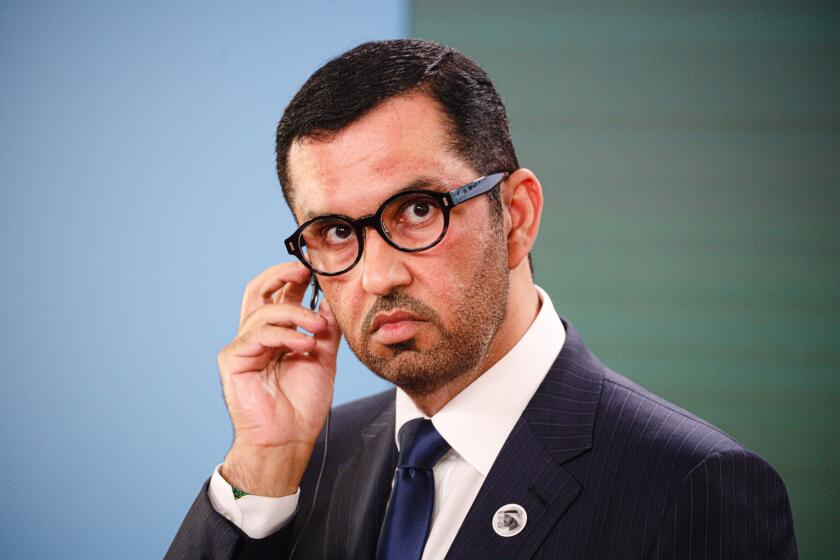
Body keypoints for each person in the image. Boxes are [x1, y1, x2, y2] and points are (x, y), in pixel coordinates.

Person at [165, 39, 797, 559]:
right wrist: (262, 463)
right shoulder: (304, 463)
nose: (378, 276)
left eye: (418, 210)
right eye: (335, 232)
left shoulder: (695, 487)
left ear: (516, 216)